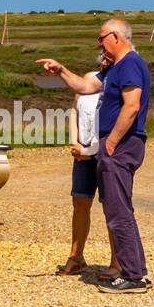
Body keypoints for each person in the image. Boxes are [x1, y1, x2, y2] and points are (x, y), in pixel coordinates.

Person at [38, 18, 151, 294]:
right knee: (117, 207)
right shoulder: (114, 69)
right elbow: (84, 87)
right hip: (113, 147)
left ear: (116, 36)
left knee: (118, 210)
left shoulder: (130, 64)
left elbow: (132, 106)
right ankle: (133, 270)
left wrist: (110, 143)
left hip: (121, 146)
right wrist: (61, 69)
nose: (99, 43)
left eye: (101, 38)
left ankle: (133, 275)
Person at [56, 49, 119, 278]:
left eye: (109, 57)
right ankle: (76, 256)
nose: (104, 60)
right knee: (80, 201)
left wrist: (89, 149)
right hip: (82, 152)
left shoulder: (116, 83)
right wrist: (74, 142)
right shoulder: (89, 79)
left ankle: (117, 260)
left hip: (104, 151)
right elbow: (74, 110)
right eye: (103, 56)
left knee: (111, 205)